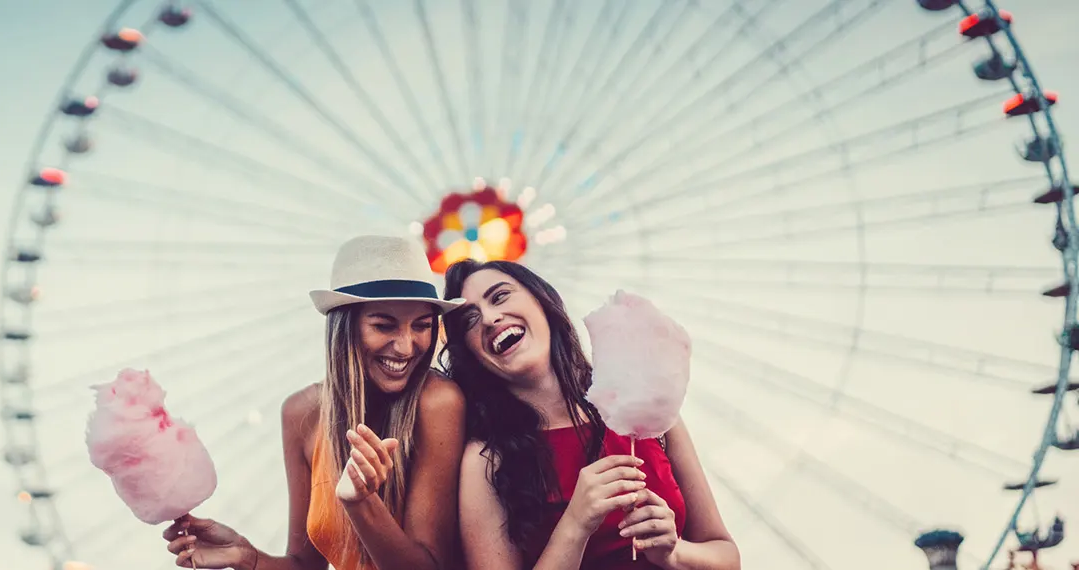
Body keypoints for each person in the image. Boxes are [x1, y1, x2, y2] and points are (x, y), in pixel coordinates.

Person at [162, 235, 468, 570]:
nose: (407, 347)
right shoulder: (300, 414)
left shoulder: (438, 401)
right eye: (384, 325)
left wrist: (363, 504)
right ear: (344, 326)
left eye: (422, 326)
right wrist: (246, 556)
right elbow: (306, 564)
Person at [439, 259, 738, 570]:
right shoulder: (485, 460)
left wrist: (674, 553)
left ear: (542, 302)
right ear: (471, 352)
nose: (488, 318)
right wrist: (576, 523)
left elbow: (727, 556)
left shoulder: (641, 400)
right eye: (470, 320)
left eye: (500, 296)